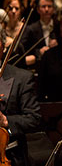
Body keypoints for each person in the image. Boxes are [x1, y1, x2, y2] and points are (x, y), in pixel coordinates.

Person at [0, 24, 41, 166]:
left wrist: (6, 121)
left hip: (9, 156)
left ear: (3, 46)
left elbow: (33, 119)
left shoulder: (22, 78)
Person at [20, 0, 57, 68]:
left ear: (53, 9)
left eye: (49, 6)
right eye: (43, 6)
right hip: (38, 67)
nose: (46, 9)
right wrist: (39, 52)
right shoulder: (31, 28)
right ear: (38, 9)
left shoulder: (59, 26)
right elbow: (24, 50)